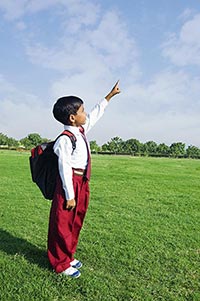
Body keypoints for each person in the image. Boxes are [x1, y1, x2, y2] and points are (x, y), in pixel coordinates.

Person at [48, 81, 120, 278]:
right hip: (69, 184)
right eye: (82, 111)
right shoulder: (64, 139)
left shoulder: (80, 131)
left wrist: (109, 96)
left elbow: (96, 114)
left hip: (82, 182)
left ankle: (68, 255)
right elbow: (64, 168)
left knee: (75, 221)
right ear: (72, 118)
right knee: (62, 223)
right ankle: (60, 263)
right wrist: (69, 195)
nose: (86, 113)